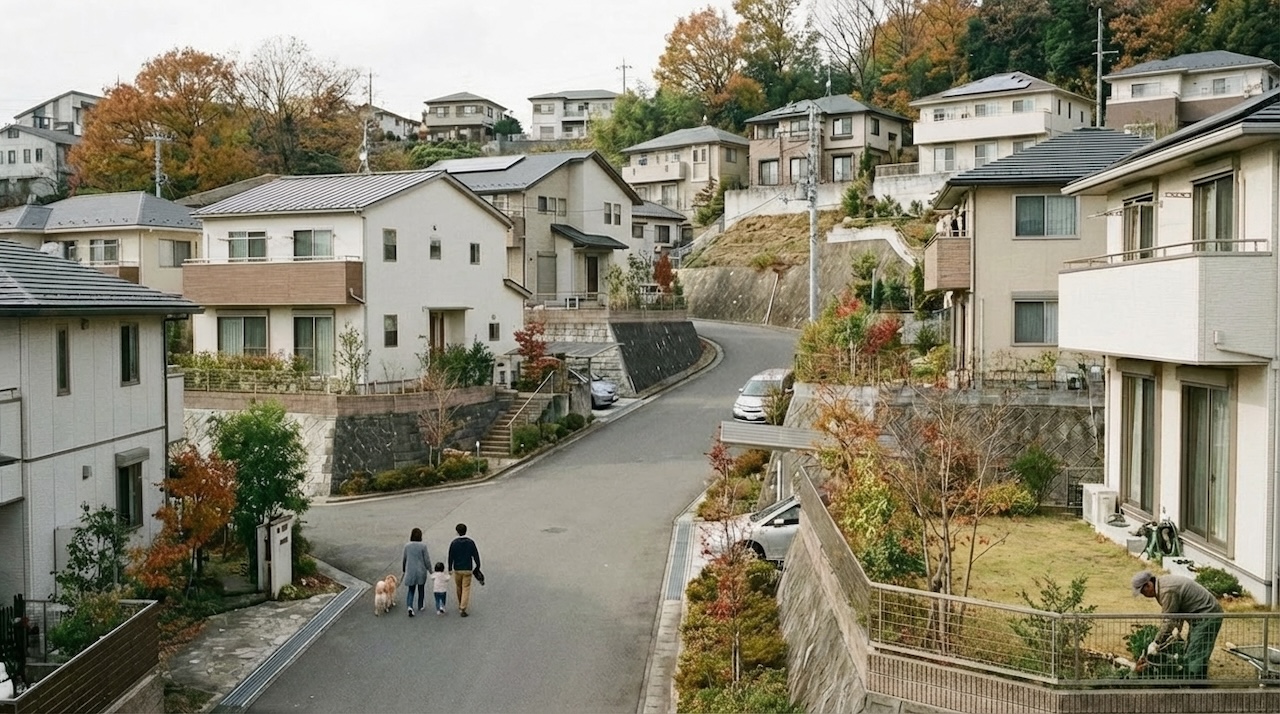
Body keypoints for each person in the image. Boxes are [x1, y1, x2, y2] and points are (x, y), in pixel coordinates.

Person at [1132, 570, 1223, 678]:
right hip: (1199, 615)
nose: (1144, 595)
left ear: (1148, 584)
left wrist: (1156, 642)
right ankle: (1194, 679)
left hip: (1208, 614)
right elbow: (1176, 614)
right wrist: (1174, 633)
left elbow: (1169, 621)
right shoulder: (1162, 584)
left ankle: (1197, 686)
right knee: (1194, 648)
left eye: (1143, 592)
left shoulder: (1167, 591)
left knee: (1196, 651)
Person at [448, 523, 482, 617]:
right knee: (466, 588)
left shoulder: (454, 543)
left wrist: (450, 568)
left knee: (459, 587)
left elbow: (451, 556)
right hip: (467, 568)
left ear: (457, 531)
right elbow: (475, 555)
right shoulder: (470, 542)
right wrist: (478, 566)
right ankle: (463, 607)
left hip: (457, 569)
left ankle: (460, 603)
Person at [402, 527, 431, 617]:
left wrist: (403, 569)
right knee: (421, 589)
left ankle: (410, 606)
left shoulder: (407, 546)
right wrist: (431, 570)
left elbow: (404, 559)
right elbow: (427, 560)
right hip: (421, 571)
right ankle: (420, 605)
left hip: (411, 571)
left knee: (411, 590)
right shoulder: (423, 546)